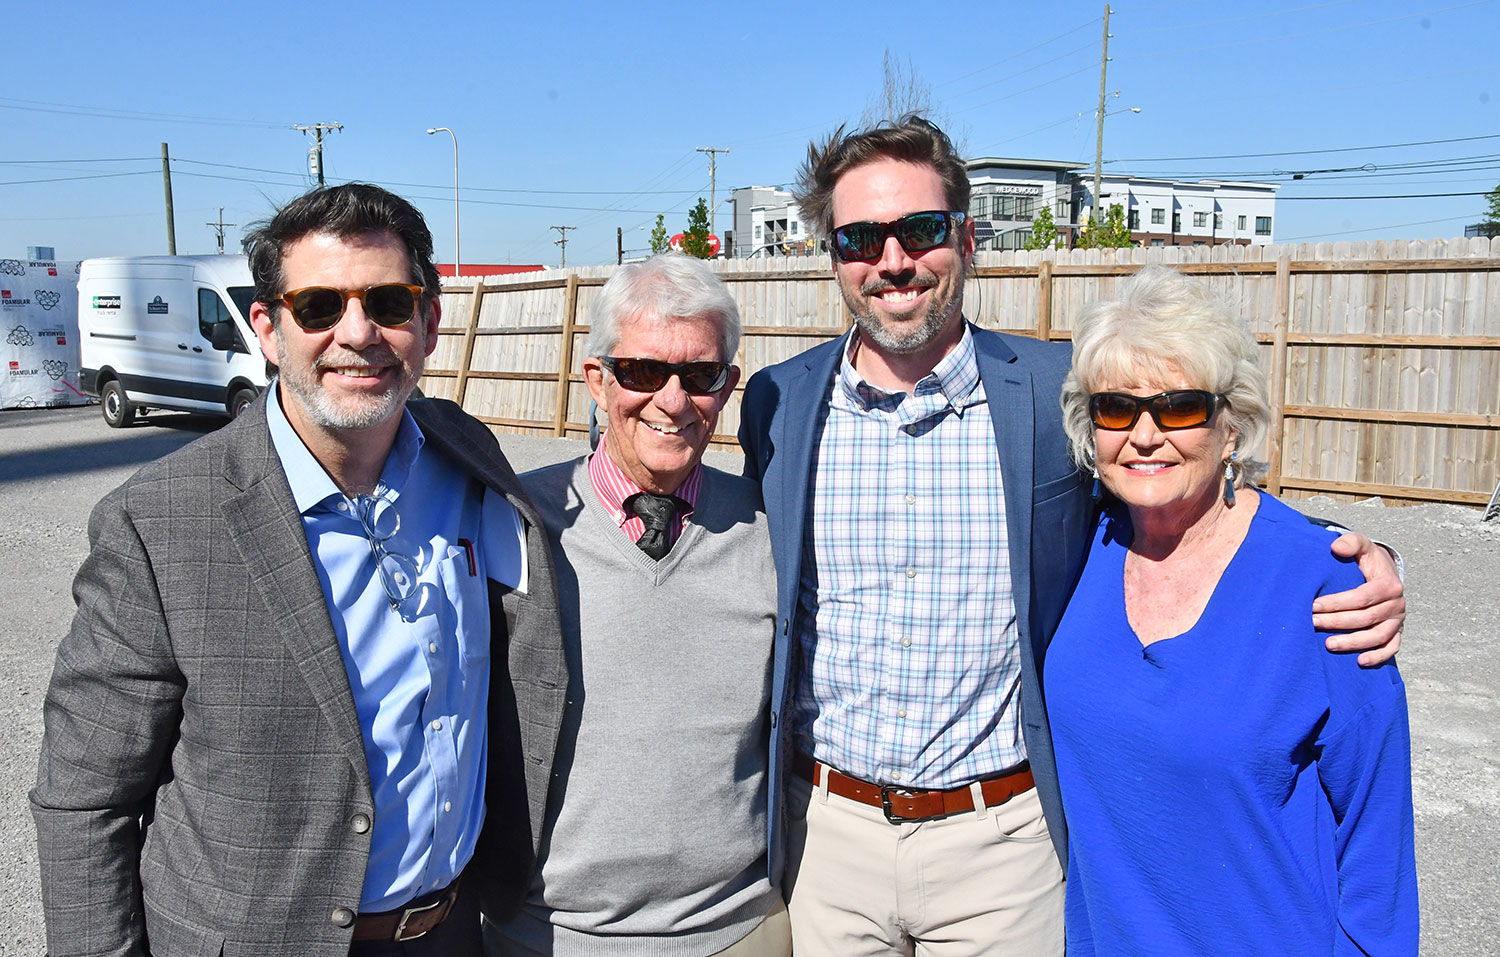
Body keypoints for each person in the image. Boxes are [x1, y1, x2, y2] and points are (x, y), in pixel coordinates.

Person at [737, 115, 1408, 954]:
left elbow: (1180, 477)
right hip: (829, 838)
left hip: (1002, 848)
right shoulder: (779, 403)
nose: (894, 259)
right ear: (832, 254)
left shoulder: (1057, 393)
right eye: (860, 238)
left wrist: (1350, 555)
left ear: (967, 237)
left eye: (921, 229)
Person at [31, 183, 566, 956]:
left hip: (451, 933)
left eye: (388, 300)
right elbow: (85, 800)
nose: (358, 332)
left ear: (429, 324)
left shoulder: (466, 453)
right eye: (318, 306)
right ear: (269, 330)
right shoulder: (160, 521)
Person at [1046, 264, 1417, 952]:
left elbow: (1377, 847)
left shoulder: (1327, 588)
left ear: (1232, 425)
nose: (1145, 434)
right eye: (1116, 409)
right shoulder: (1083, 544)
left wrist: (1384, 558)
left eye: (1181, 406)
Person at [485, 253, 789, 956]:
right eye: (644, 371)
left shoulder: (771, 529)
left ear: (728, 386)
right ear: (597, 379)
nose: (673, 400)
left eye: (701, 375)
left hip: (737, 930)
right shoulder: (515, 521)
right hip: (546, 936)